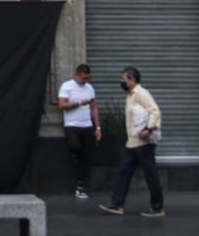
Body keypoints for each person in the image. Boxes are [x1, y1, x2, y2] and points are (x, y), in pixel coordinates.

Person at [100, 66, 164, 217]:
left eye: (123, 79)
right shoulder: (130, 95)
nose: (121, 81)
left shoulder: (142, 93)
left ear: (132, 80)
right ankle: (117, 204)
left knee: (150, 175)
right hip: (132, 142)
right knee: (124, 171)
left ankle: (158, 207)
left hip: (144, 143)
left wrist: (148, 130)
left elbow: (155, 111)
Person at [58, 63, 101, 198]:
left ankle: (80, 185)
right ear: (76, 75)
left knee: (86, 156)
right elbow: (61, 105)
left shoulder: (89, 88)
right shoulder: (67, 86)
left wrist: (98, 127)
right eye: (83, 78)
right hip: (72, 124)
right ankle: (75, 157)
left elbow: (94, 107)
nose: (85, 81)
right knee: (75, 147)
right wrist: (78, 103)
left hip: (87, 125)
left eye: (88, 78)